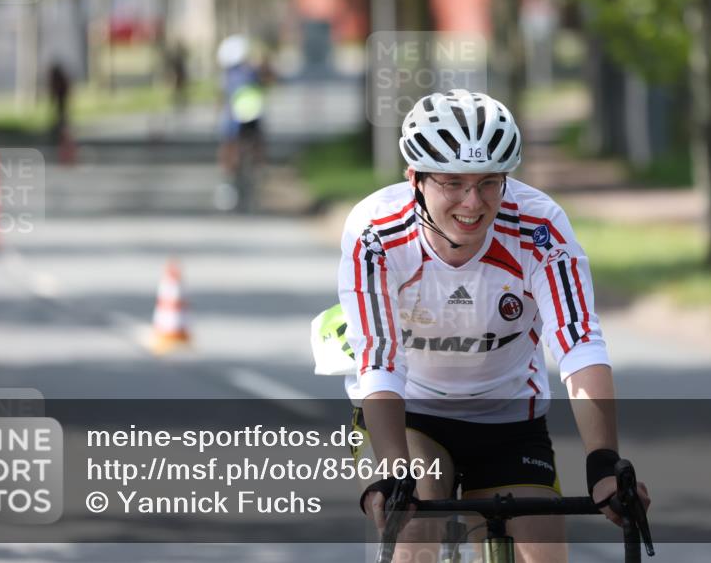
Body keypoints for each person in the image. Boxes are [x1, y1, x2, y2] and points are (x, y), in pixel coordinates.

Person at [336, 89, 650, 563]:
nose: (473, 202)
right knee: (415, 529)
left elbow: (579, 343)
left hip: (509, 420)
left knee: (543, 553)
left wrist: (603, 462)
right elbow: (378, 362)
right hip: (413, 413)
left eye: (489, 183)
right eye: (453, 182)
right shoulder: (376, 233)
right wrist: (393, 467)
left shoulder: (539, 227)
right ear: (415, 178)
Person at [214, 34, 267, 211]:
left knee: (230, 148)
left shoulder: (229, 75)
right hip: (248, 120)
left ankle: (229, 179)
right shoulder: (250, 71)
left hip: (237, 121)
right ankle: (256, 174)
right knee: (252, 146)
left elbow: (222, 98)